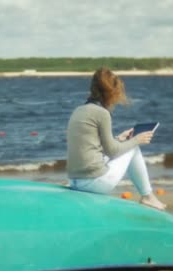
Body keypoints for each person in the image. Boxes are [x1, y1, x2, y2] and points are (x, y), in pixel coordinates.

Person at [66, 67, 166, 210]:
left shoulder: (79, 110)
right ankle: (148, 196)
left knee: (128, 145)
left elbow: (94, 147)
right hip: (94, 183)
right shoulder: (102, 113)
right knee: (133, 149)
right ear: (112, 93)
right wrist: (137, 139)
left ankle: (148, 196)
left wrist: (119, 139)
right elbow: (112, 151)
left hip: (74, 181)